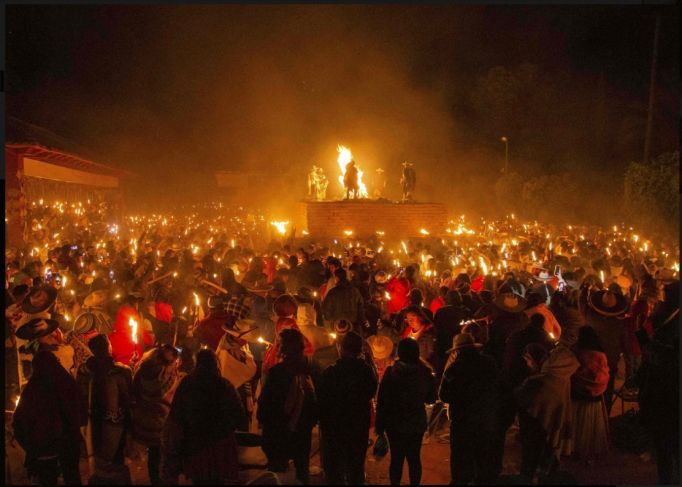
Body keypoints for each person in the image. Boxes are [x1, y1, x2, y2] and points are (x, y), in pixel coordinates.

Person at [161, 349, 243, 485]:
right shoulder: (224, 385)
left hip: (195, 443)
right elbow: (238, 415)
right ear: (215, 364)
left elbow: (176, 413)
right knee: (217, 480)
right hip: (219, 444)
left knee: (199, 480)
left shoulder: (187, 383)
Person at [13, 350, 85, 486]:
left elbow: (19, 421)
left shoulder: (33, 388)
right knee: (71, 476)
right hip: (67, 441)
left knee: (48, 479)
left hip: (44, 445)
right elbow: (79, 409)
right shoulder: (66, 382)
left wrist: (30, 445)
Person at [258, 329, 318, 485]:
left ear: (284, 348)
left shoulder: (277, 373)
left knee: (277, 473)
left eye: (279, 344)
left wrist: (264, 421)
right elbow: (315, 403)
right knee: (302, 471)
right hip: (302, 432)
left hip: (279, 431)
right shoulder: (311, 369)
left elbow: (266, 405)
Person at [317, 331, 378, 485]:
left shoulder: (331, 372)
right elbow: (370, 392)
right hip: (358, 425)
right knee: (355, 466)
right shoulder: (366, 372)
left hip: (335, 427)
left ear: (341, 348)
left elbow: (322, 400)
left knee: (335, 468)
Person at [439, 333, 500, 485]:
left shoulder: (453, 369)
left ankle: (461, 480)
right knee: (482, 453)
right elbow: (497, 386)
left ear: (457, 351)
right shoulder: (489, 363)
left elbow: (444, 395)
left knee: (460, 454)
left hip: (462, 419)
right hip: (485, 416)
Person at [514, 342, 580, 483]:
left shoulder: (538, 381)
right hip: (553, 423)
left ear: (534, 359)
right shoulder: (560, 374)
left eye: (528, 360)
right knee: (549, 459)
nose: (527, 365)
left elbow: (520, 398)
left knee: (532, 459)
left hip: (536, 426)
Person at [375, 338, 437, 486]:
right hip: (416, 422)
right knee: (414, 459)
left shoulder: (391, 372)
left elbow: (382, 401)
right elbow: (431, 399)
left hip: (394, 423)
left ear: (400, 353)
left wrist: (380, 426)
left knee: (396, 460)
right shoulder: (424, 373)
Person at [636, 280, 679, 485]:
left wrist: (644, 337)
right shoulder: (665, 321)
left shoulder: (671, 326)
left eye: (666, 296)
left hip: (668, 392)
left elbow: (658, 357)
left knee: (668, 443)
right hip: (663, 392)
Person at [76, 333, 133, 483]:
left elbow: (79, 397)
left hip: (92, 423)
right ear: (108, 347)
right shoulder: (122, 371)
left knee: (97, 460)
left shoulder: (83, 371)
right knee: (116, 461)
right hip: (116, 424)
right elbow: (129, 399)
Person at [131, 344, 182, 485]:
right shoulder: (172, 376)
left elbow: (134, 392)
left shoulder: (142, 371)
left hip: (145, 421)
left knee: (153, 455)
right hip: (163, 422)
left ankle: (154, 480)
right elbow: (176, 400)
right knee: (163, 455)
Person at [566, 326, 610, 464]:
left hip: (576, 393)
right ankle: (588, 451)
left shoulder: (575, 352)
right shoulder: (600, 355)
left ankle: (573, 448)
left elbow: (570, 372)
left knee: (576, 423)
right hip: (593, 397)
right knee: (590, 425)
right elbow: (603, 375)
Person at [584, 288, 628, 414]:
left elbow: (584, 306)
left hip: (592, 361)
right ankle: (605, 416)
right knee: (607, 392)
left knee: (591, 391)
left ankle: (592, 416)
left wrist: (587, 290)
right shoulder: (619, 325)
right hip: (610, 363)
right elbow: (625, 344)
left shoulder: (590, 317)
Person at [433, 290, 471, 377]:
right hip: (459, 344)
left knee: (443, 371)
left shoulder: (440, 311)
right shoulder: (465, 311)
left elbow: (435, 328)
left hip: (443, 344)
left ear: (447, 299)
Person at [400, 305, 437, 372]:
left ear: (421, 317)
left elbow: (430, 356)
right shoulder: (406, 333)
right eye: (408, 319)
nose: (410, 321)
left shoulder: (428, 335)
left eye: (413, 317)